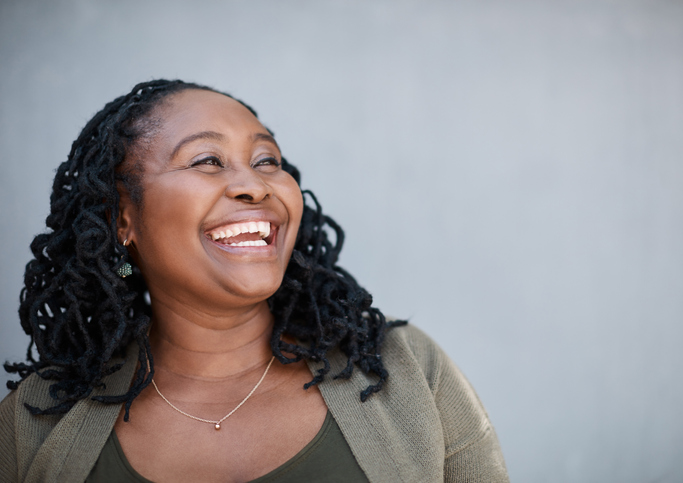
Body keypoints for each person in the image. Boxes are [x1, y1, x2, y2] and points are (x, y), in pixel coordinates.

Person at [0, 80, 509, 482]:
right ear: (122, 219)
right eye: (207, 161)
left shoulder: (405, 369)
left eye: (267, 161)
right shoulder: (35, 422)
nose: (252, 185)